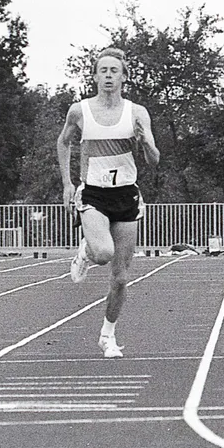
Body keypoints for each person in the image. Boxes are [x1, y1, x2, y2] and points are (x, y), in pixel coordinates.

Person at [57, 48, 160, 358]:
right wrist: (67, 182)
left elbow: (154, 159)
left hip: (126, 194)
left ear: (124, 76)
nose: (109, 76)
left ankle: (108, 335)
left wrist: (145, 143)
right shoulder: (80, 111)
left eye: (115, 71)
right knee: (104, 252)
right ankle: (87, 252)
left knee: (121, 277)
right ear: (95, 76)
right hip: (94, 193)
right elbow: (64, 143)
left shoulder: (137, 112)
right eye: (103, 71)